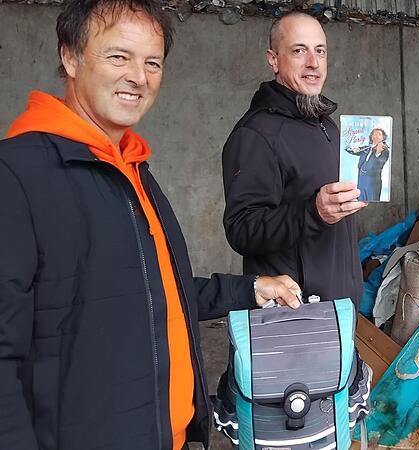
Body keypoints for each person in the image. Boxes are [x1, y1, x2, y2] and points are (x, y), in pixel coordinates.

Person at [0, 1, 301, 449]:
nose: (138, 77)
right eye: (118, 56)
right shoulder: (17, 176)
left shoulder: (132, 168)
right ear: (70, 56)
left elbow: (150, 287)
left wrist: (249, 290)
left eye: (152, 62)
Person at [222, 12, 365, 307]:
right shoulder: (256, 134)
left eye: (320, 51)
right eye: (299, 50)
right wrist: (313, 213)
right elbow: (241, 229)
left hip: (339, 306)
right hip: (294, 314)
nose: (313, 62)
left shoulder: (327, 125)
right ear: (273, 60)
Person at [346, 127, 390, 201]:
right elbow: (348, 150)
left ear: (383, 138)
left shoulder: (385, 151)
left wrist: (377, 153)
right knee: (360, 201)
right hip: (361, 179)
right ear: (371, 136)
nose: (376, 136)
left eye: (379, 134)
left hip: (373, 181)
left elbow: (378, 165)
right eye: (374, 134)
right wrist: (352, 148)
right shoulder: (366, 148)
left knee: (372, 202)